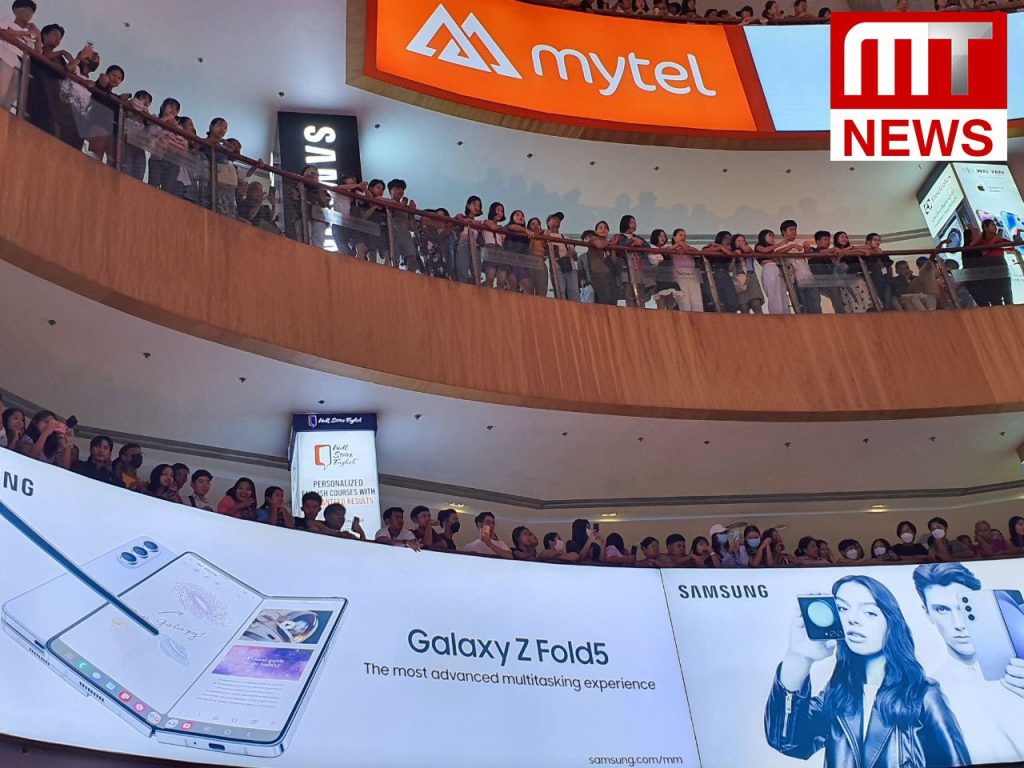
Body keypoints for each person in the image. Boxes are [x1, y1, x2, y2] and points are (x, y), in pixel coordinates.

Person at [766, 575, 970, 767]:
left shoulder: (924, 695)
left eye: (870, 612)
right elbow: (786, 742)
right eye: (842, 609)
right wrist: (799, 657)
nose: (852, 619)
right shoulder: (836, 695)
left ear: (891, 624)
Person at [912, 563, 1024, 763]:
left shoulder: (1018, 670)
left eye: (964, 606)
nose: (958, 624)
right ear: (927, 613)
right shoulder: (928, 696)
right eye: (942, 609)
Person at [0, 0, 39, 111]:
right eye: (25, 9)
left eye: (31, 11)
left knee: (10, 99)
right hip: (5, 58)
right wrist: (24, 33)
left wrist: (38, 35)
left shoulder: (30, 35)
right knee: (1, 92)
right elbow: (2, 32)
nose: (28, 13)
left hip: (20, 66)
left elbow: (37, 53)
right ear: (15, 10)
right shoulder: (7, 21)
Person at [964, 219, 1013, 307]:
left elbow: (1011, 247)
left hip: (1001, 265)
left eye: (995, 225)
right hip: (990, 269)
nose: (995, 227)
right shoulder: (982, 242)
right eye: (992, 225)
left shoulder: (999, 239)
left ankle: (1011, 309)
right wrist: (993, 241)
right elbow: (983, 252)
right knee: (995, 295)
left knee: (1007, 291)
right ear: (986, 228)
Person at [386, 179, 419, 272]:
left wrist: (412, 212)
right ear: (390, 190)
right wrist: (400, 205)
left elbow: (412, 228)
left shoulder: (405, 207)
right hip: (391, 235)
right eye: (397, 188)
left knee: (412, 258)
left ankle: (410, 278)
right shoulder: (386, 202)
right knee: (394, 259)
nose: (400, 191)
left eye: (402, 189)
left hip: (405, 236)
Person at [546, 212, 578, 300]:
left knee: (574, 291)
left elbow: (575, 257)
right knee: (560, 291)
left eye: (559, 219)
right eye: (554, 218)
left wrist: (571, 253)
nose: (558, 220)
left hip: (571, 267)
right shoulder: (545, 236)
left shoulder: (566, 237)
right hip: (556, 267)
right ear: (548, 222)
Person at [586, 221, 618, 305]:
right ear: (596, 231)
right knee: (604, 297)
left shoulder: (609, 244)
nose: (603, 229)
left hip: (610, 273)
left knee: (613, 297)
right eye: (600, 228)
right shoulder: (593, 238)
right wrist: (611, 243)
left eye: (605, 228)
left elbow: (614, 260)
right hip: (598, 272)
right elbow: (599, 245)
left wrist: (613, 248)